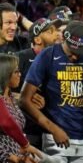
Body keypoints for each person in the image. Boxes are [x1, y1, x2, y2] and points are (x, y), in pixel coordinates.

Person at [20, 21, 83, 163]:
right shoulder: (47, 55)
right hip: (54, 139)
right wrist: (53, 129)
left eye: (80, 52)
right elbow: (24, 99)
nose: (75, 57)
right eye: (72, 52)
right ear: (63, 39)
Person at [15, 17, 62, 149]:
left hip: (56, 131)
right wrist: (23, 96)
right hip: (28, 132)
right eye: (50, 31)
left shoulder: (63, 58)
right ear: (37, 40)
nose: (57, 34)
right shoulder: (19, 58)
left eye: (57, 31)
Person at [0, 53, 44, 163]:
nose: (20, 74)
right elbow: (7, 122)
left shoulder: (11, 97)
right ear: (5, 74)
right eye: (16, 72)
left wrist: (23, 155)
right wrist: (24, 147)